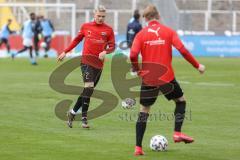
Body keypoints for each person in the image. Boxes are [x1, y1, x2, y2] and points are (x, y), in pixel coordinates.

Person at [130, 5, 206, 156]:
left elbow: (132, 55)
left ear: (145, 18)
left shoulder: (141, 34)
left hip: (149, 78)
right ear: (158, 16)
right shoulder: (169, 31)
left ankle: (138, 148)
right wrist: (197, 65)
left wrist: (137, 69)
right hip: (167, 78)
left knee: (144, 111)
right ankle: (177, 133)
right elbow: (183, 50)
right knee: (181, 101)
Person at [57, 5, 115, 128]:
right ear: (94, 14)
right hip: (86, 62)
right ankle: (84, 119)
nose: (100, 18)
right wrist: (65, 51)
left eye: (103, 17)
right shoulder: (86, 26)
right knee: (89, 87)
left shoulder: (108, 30)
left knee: (88, 91)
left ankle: (72, 113)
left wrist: (106, 52)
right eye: (99, 16)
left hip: (99, 65)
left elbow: (112, 46)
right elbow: (76, 40)